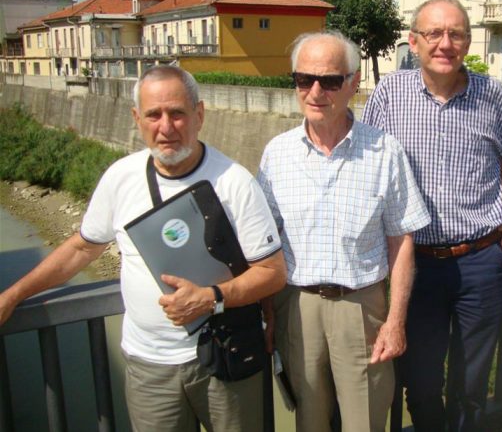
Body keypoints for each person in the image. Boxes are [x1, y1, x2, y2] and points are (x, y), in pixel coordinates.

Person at [0, 65, 287, 432]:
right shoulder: (120, 178)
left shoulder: (235, 183)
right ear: (137, 118)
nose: (165, 127)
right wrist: (13, 295)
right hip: (148, 366)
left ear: (199, 115)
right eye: (154, 114)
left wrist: (212, 297)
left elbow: (272, 273)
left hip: (225, 359)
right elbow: (80, 250)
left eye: (177, 113)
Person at [362, 0, 502, 431]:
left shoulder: (493, 95)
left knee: (470, 382)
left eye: (455, 33)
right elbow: (364, 166)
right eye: (434, 34)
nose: (445, 43)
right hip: (414, 265)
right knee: (420, 381)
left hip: (482, 262)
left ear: (466, 41)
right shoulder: (390, 93)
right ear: (414, 41)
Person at [256, 31, 430, 432]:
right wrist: (268, 313)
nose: (316, 91)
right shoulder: (276, 154)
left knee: (364, 421)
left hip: (362, 308)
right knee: (308, 420)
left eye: (330, 81)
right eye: (304, 79)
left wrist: (396, 320)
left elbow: (402, 241)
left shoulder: (385, 151)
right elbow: (266, 241)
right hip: (296, 308)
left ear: (352, 83)